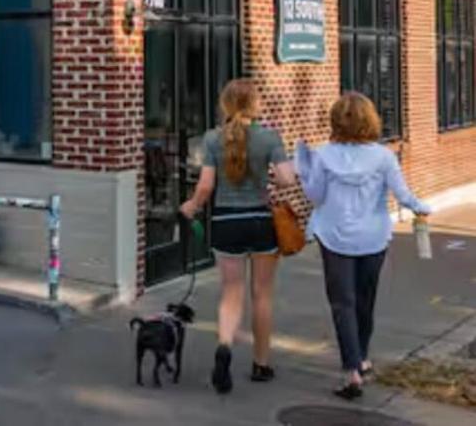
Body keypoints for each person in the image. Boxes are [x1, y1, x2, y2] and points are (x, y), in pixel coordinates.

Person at [296, 92, 432, 401]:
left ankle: (352, 370)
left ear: (336, 121)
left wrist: (304, 171)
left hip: (334, 236)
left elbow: (315, 196)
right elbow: (403, 194)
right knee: (364, 300)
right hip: (373, 237)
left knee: (342, 303)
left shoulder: (324, 156)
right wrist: (422, 207)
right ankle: (363, 356)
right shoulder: (384, 157)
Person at [180, 79, 297, 394]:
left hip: (226, 222)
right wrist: (270, 176)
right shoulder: (269, 137)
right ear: (255, 104)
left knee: (231, 293)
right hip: (260, 222)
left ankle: (224, 347)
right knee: (262, 295)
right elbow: (287, 179)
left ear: (226, 104)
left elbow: (206, 186)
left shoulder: (212, 139)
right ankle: (261, 364)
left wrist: (191, 206)